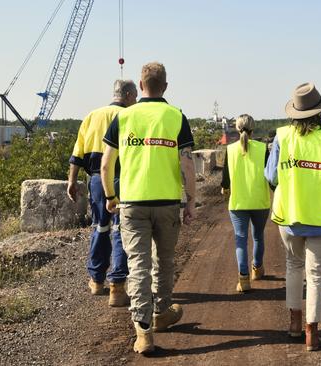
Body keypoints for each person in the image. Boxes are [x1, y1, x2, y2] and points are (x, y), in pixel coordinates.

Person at [100, 62, 197, 354]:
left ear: (141, 86)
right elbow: (188, 164)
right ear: (165, 87)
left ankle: (143, 332)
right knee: (164, 261)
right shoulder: (176, 116)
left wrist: (110, 197)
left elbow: (106, 164)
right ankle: (162, 313)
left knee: (138, 266)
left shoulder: (124, 117)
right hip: (167, 203)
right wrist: (190, 200)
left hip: (132, 202)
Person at [265, 82, 321, 351]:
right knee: (316, 274)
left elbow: (272, 176)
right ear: (320, 112)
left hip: (289, 214)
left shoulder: (281, 137)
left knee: (293, 267)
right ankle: (312, 332)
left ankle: (294, 324)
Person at [67, 79, 137, 307]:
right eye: (134, 95)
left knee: (100, 227)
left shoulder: (92, 116)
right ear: (127, 95)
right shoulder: (130, 115)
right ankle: (117, 286)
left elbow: (78, 153)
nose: (135, 99)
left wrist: (72, 180)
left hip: (97, 179)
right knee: (120, 229)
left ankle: (96, 281)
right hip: (123, 179)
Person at [221, 114, 271, 292]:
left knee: (240, 240)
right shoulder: (263, 148)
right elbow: (270, 175)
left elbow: (225, 179)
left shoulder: (230, 149)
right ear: (253, 128)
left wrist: (225, 189)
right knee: (258, 236)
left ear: (237, 128)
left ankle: (243, 279)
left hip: (238, 203)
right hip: (260, 201)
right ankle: (257, 269)